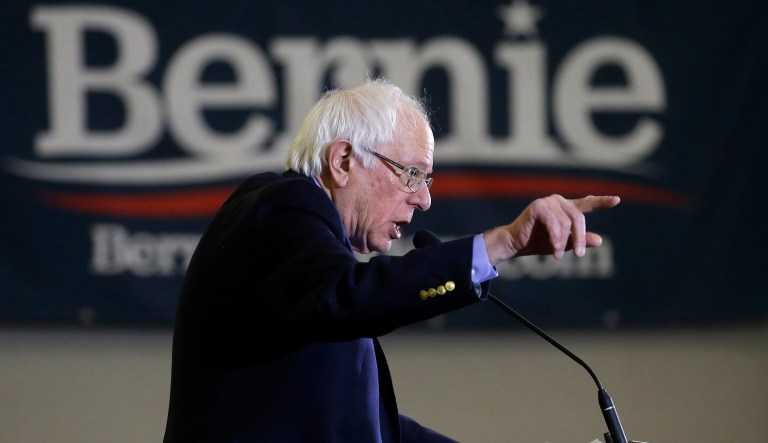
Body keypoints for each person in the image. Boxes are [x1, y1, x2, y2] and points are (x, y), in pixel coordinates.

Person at [162, 78, 620, 442]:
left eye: (428, 180)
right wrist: (501, 245)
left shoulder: (306, 265)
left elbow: (374, 430)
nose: (422, 200)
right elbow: (345, 297)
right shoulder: (281, 205)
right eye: (412, 174)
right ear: (343, 160)